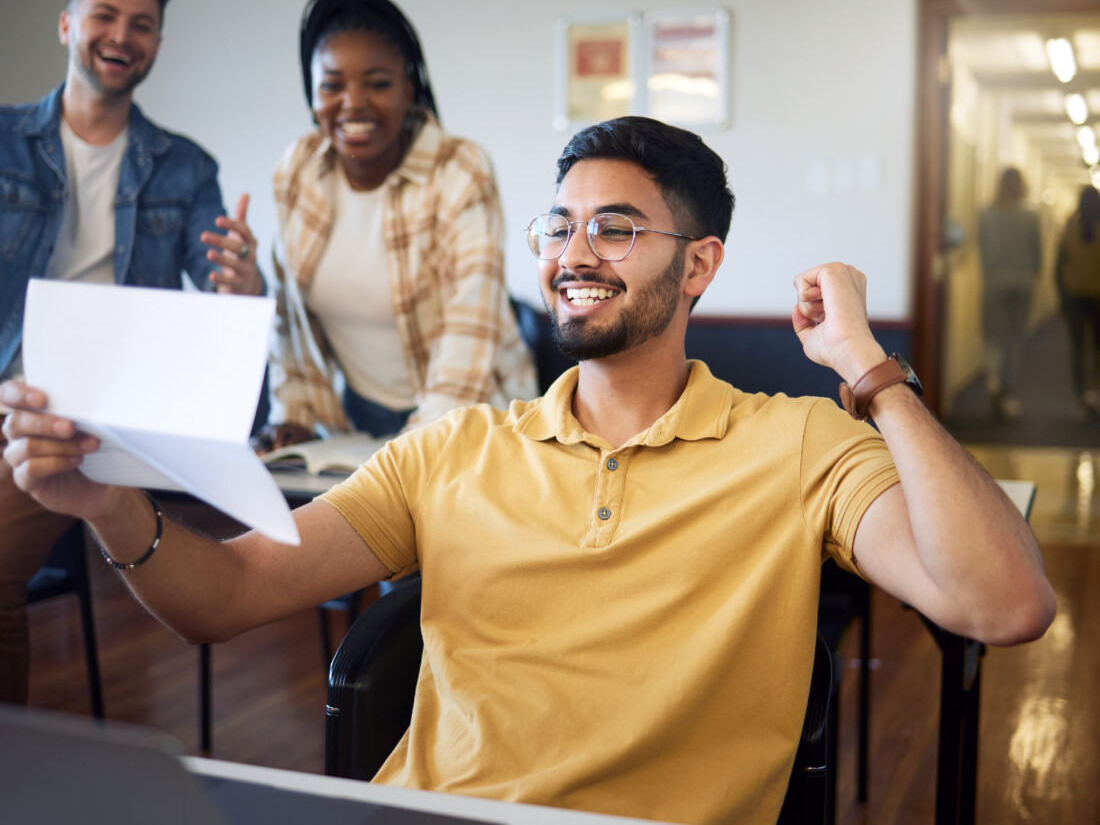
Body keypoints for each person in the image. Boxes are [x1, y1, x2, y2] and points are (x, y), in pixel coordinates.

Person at [2, 117, 1055, 825]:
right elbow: (223, 597)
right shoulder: (455, 450)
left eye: (615, 227)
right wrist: (102, 503)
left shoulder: (797, 445)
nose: (572, 253)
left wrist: (865, 371)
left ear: (698, 264)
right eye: (559, 226)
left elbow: (999, 602)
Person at [0, 0, 263, 706]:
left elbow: (223, 312)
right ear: (65, 24)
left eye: (141, 25)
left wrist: (244, 286)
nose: (122, 37)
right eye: (105, 17)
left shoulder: (184, 168)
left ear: (155, 44)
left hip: (90, 416)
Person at [251, 0, 536, 451]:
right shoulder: (296, 170)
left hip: (474, 413)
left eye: (378, 83)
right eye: (332, 84)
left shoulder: (459, 170)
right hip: (353, 421)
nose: (353, 103)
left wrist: (416, 449)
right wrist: (294, 416)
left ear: (410, 87)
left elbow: (469, 333)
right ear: (312, 93)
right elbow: (291, 322)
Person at [977, 167, 1042, 419]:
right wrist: (1029, 276)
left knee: (993, 334)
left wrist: (992, 274)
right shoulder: (1030, 217)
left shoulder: (986, 215)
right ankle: (1006, 391)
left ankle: (993, 378)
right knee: (1015, 337)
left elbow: (982, 249)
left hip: (995, 282)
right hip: (1022, 282)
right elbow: (1038, 254)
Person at [1055, 185, 1100, 418]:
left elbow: (1059, 266)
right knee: (1097, 349)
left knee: (1078, 349)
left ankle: (1082, 397)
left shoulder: (1071, 228)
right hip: (1097, 297)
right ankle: (1095, 393)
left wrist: (1061, 297)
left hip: (1074, 297)